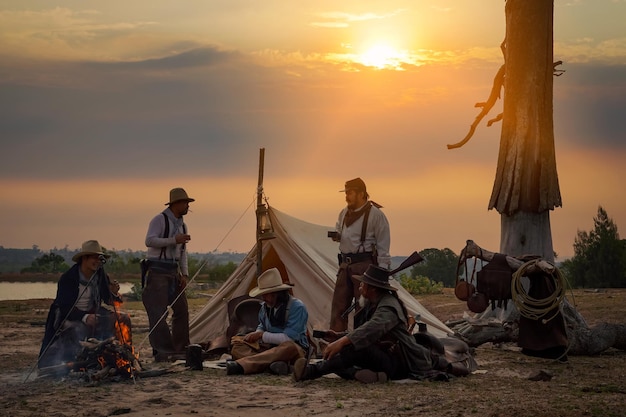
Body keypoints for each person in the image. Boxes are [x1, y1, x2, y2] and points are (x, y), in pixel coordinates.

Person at [293, 264, 438, 383]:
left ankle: (311, 371)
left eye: (363, 283)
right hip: (385, 357)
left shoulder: (389, 306)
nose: (360, 285)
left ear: (373, 288)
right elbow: (364, 332)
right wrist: (339, 336)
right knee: (344, 354)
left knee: (350, 350)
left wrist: (342, 342)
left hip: (401, 363)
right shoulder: (373, 303)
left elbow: (372, 329)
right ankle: (362, 374)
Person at [39, 240, 131, 368]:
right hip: (69, 316)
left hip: (94, 312)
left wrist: (114, 293)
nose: (97, 261)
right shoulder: (68, 278)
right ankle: (76, 363)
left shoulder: (100, 274)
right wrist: (85, 317)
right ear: (84, 259)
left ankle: (123, 356)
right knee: (78, 329)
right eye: (94, 258)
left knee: (123, 318)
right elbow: (64, 307)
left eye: (99, 258)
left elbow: (108, 299)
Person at [329, 177, 391, 332]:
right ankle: (337, 347)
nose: (346, 196)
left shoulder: (376, 215)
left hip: (364, 266)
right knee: (338, 308)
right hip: (345, 265)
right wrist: (337, 236)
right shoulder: (343, 213)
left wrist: (380, 276)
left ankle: (362, 346)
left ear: (362, 194)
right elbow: (340, 231)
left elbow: (383, 247)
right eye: (346, 192)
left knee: (363, 309)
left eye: (350, 193)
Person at [225, 267, 309, 376]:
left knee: (289, 346)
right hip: (269, 349)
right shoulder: (265, 307)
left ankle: (244, 365)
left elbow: (290, 338)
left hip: (293, 350)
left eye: (266, 294)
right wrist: (256, 333)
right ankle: (272, 365)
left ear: (277, 293)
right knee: (238, 346)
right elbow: (262, 325)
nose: (263, 298)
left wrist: (261, 335)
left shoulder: (297, 307)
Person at [143, 187, 194, 361]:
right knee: (158, 314)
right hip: (157, 270)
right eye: (185, 203)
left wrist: (184, 274)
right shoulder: (160, 219)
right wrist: (174, 240)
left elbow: (183, 252)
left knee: (182, 310)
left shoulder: (182, 224)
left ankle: (180, 348)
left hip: (173, 271)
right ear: (176, 204)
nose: (187, 206)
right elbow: (149, 240)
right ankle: (163, 351)